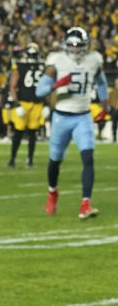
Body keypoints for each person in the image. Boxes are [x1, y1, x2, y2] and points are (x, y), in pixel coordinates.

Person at [35, 26, 108, 219]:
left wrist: (105, 105)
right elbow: (39, 91)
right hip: (61, 117)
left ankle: (86, 203)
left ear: (86, 45)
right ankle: (52, 192)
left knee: (88, 158)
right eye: (72, 45)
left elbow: (101, 83)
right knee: (54, 162)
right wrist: (56, 84)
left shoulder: (94, 59)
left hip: (83, 116)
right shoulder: (57, 60)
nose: (75, 48)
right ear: (66, 45)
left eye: (79, 45)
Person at [7, 43, 45, 168]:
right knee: (19, 132)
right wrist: (17, 104)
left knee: (32, 133)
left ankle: (29, 159)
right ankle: (13, 158)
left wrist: (47, 104)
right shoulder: (24, 65)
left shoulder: (39, 65)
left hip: (37, 102)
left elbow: (47, 85)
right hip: (24, 102)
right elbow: (12, 86)